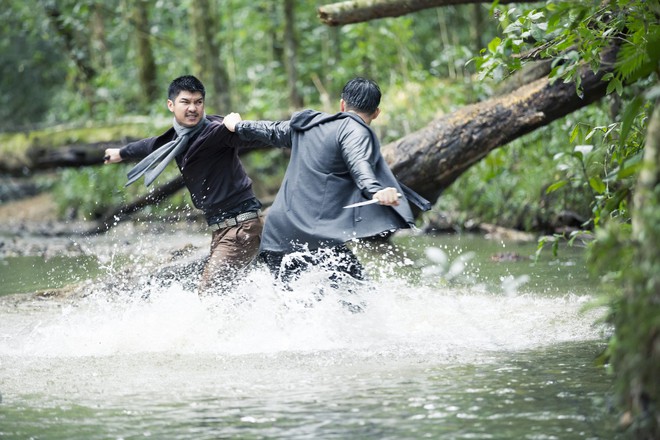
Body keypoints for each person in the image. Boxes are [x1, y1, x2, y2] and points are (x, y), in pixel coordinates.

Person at [223, 77, 430, 284]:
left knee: (292, 308)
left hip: (277, 235)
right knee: (360, 301)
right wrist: (376, 190)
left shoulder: (311, 124)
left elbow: (271, 130)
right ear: (376, 113)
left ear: (342, 104)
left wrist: (239, 125)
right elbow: (360, 164)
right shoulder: (355, 131)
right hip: (313, 238)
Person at [104, 75, 265, 293]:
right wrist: (120, 153)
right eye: (186, 102)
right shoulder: (178, 139)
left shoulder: (218, 131)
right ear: (171, 105)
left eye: (198, 102)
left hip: (241, 227)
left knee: (209, 292)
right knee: (230, 294)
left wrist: (240, 126)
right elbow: (150, 145)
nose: (193, 108)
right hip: (221, 229)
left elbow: (260, 135)